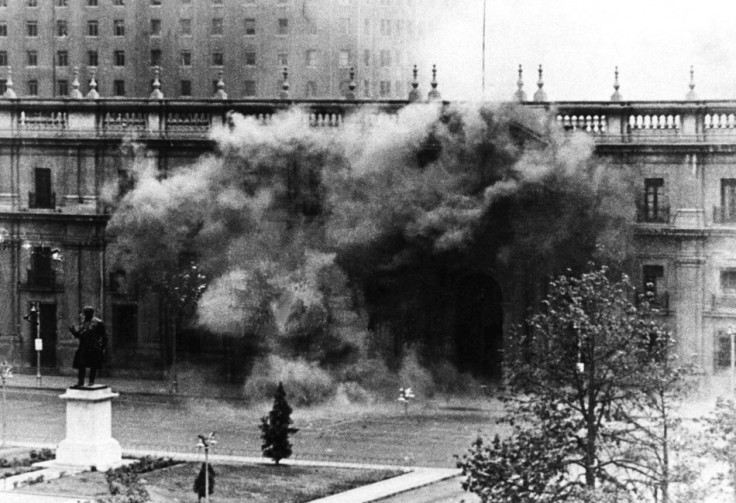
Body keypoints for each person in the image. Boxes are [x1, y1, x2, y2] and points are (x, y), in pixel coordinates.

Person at [68, 306, 107, 388]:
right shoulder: (84, 322)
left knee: (93, 365)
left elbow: (104, 336)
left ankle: (91, 381)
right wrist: (73, 331)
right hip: (83, 347)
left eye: (87, 313)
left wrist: (102, 347)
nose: (85, 315)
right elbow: (79, 334)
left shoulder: (98, 322)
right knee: (81, 364)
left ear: (91, 313)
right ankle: (80, 381)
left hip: (93, 347)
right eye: (85, 313)